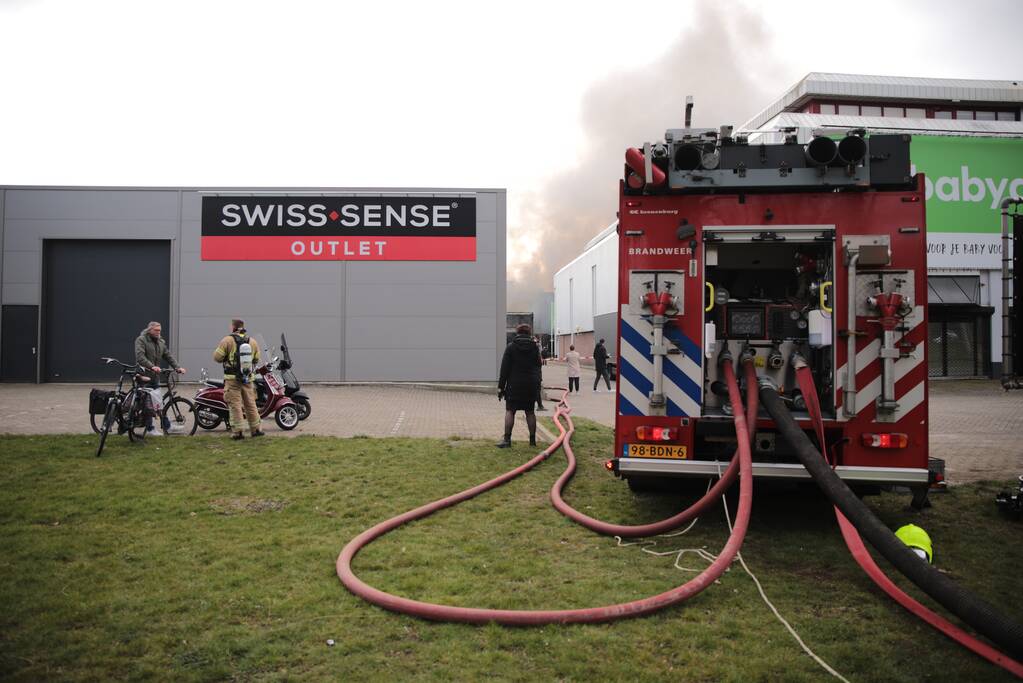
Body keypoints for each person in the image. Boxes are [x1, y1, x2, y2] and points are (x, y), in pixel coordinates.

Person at [213, 319, 264, 440]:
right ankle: (256, 430)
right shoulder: (252, 341)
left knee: (235, 405)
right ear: (243, 327)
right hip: (247, 379)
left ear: (233, 327)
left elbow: (217, 357)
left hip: (232, 379)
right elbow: (257, 359)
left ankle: (238, 432)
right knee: (251, 404)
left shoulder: (227, 340)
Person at [134, 321, 186, 436]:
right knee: (147, 405)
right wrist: (152, 366)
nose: (158, 333)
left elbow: (167, 356)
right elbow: (140, 357)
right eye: (156, 330)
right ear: (150, 330)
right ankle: (150, 428)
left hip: (155, 378)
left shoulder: (161, 342)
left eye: (159, 331)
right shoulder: (141, 340)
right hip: (144, 377)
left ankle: (167, 426)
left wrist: (177, 368)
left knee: (158, 403)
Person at [496, 323, 542, 448]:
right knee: (530, 412)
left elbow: (504, 369)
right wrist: (537, 384)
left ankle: (507, 440)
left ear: (517, 333)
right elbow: (539, 365)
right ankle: (532, 441)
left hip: (514, 385)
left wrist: (501, 387)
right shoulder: (535, 348)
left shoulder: (511, 347)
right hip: (530, 385)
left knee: (510, 411)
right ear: (529, 334)